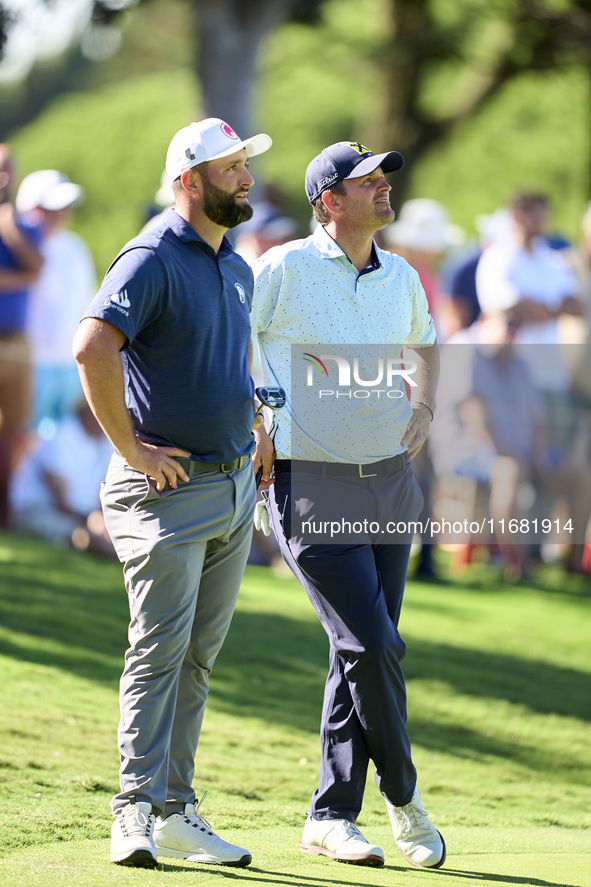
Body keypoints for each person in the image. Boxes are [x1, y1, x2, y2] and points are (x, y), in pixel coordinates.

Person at [72, 117, 272, 869]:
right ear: (189, 182)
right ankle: (133, 809)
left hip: (229, 487)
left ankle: (178, 808)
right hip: (164, 491)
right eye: (229, 169)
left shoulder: (235, 263)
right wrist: (133, 450)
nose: (245, 178)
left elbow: (225, 359)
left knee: (195, 658)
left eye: (244, 166)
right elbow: (92, 345)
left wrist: (258, 421)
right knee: (158, 652)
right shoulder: (151, 255)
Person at [250, 141, 444, 869]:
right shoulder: (282, 269)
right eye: (367, 182)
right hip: (313, 480)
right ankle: (404, 799)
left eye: (383, 179)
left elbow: (421, 344)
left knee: (357, 647)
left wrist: (421, 402)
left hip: (388, 477)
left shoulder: (400, 275)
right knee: (374, 644)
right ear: (329, 200)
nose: (384, 189)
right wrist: (257, 421)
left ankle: (330, 815)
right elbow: (233, 346)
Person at [16, 169, 95, 432]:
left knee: (60, 441)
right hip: (33, 363)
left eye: (64, 207)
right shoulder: (15, 250)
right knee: (22, 439)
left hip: (69, 365)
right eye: (52, 207)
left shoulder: (75, 247)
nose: (61, 214)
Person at [0, 144, 43, 527]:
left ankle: (6, 506)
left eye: (7, 170)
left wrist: (8, 225)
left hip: (17, 342)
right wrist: (21, 279)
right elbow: (28, 275)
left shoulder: (23, 225)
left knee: (14, 431)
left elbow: (37, 266)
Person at [9, 399, 115, 556]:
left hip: (76, 516)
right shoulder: (62, 436)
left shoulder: (107, 442)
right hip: (36, 511)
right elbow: (61, 503)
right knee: (83, 537)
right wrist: (93, 520)